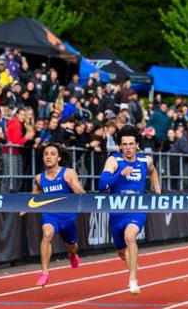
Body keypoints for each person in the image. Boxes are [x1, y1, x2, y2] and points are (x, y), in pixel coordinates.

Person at [98, 126, 161, 294]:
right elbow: (101, 185)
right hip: (116, 212)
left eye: (131, 144)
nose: (128, 147)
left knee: (130, 236)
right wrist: (120, 174)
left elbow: (153, 171)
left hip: (137, 209)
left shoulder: (145, 161)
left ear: (137, 145)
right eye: (124, 144)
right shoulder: (113, 161)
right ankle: (131, 260)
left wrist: (157, 190)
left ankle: (133, 280)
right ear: (120, 146)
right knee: (121, 249)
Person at [27, 143, 86, 287]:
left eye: (53, 154)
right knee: (47, 234)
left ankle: (72, 255)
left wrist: (72, 184)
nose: (49, 157)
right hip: (50, 214)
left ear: (59, 158)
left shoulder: (68, 173)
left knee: (71, 246)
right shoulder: (39, 178)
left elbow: (82, 194)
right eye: (46, 154)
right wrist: (24, 207)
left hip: (68, 216)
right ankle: (45, 272)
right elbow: (35, 194)